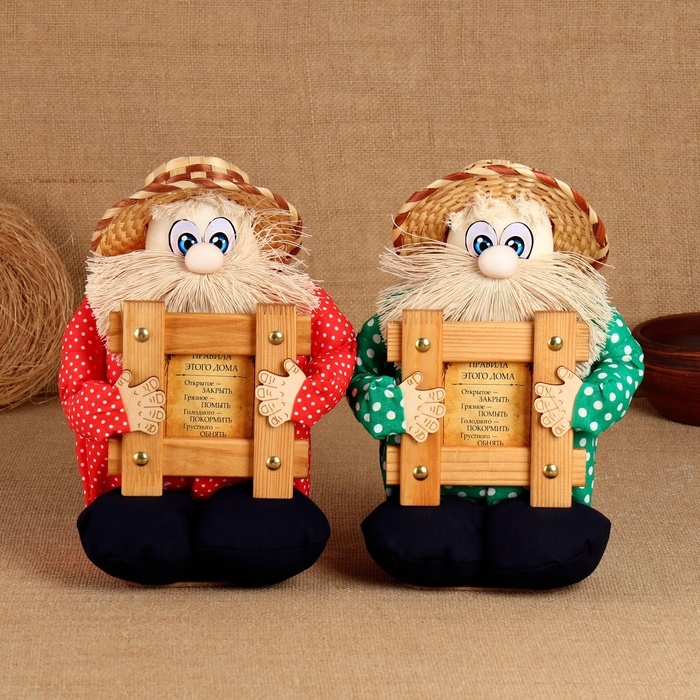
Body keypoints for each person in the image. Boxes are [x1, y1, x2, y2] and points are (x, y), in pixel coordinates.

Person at [60, 157, 356, 586]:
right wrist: (118, 406)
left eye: (219, 239)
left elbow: (339, 349)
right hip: (142, 481)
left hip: (255, 478)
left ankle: (240, 529)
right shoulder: (106, 305)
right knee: (131, 537)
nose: (202, 255)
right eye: (184, 240)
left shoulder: (290, 298)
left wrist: (300, 397)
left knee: (269, 538)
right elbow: (75, 384)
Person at [349, 160, 644, 589]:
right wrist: (395, 404)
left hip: (543, 489)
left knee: (546, 545)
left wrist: (581, 401)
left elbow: (626, 363)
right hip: (432, 488)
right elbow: (358, 370)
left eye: (517, 243)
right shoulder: (404, 312)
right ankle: (441, 528)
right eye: (481, 241)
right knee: (419, 540)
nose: (496, 258)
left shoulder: (589, 315)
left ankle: (531, 531)